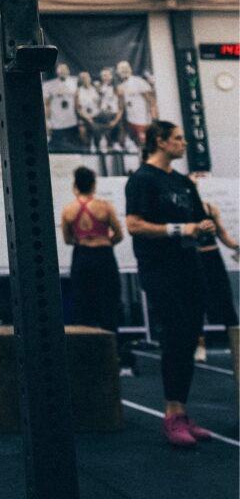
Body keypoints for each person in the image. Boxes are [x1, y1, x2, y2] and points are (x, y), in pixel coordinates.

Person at [125, 120, 215, 447]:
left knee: (190, 337)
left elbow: (195, 220)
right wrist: (181, 230)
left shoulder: (182, 182)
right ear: (160, 142)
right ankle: (171, 415)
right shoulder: (142, 181)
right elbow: (134, 225)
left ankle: (182, 410)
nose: (183, 143)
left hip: (190, 266)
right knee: (175, 335)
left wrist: (203, 225)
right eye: (178, 138)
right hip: (160, 270)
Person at [60, 167, 132, 371]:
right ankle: (111, 353)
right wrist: (104, 241)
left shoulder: (68, 210)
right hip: (103, 256)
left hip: (81, 257)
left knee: (82, 304)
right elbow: (119, 234)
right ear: (93, 184)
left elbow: (67, 239)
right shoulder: (105, 207)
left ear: (75, 185)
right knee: (109, 303)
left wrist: (84, 239)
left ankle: (83, 354)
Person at [190, 177, 239, 362]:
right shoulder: (180, 211)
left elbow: (223, 234)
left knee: (225, 299)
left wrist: (236, 247)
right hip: (194, 259)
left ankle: (236, 343)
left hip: (213, 258)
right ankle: (200, 343)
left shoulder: (210, 208)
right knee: (197, 302)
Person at [116, 61, 157, 158]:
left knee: (147, 145)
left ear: (129, 69)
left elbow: (151, 100)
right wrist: (119, 96)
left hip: (143, 120)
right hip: (131, 120)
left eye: (125, 68)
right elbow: (121, 105)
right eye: (121, 69)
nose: (123, 71)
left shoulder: (138, 81)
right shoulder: (121, 86)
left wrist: (154, 116)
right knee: (138, 147)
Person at [94, 67, 124, 174]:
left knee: (115, 147)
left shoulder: (118, 88)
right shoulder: (99, 89)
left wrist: (115, 121)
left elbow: (121, 108)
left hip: (115, 118)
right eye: (103, 76)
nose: (105, 77)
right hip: (103, 119)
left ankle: (119, 172)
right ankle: (104, 173)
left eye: (107, 75)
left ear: (111, 76)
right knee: (103, 148)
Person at [43, 63, 78, 150]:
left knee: (73, 147)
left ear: (68, 71)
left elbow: (79, 101)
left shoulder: (75, 81)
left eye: (64, 70)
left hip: (72, 121)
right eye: (60, 71)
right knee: (58, 148)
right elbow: (47, 105)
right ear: (57, 72)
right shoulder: (49, 85)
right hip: (57, 122)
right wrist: (47, 121)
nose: (62, 72)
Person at [74, 70, 100, 153]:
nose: (85, 79)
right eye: (83, 78)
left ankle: (98, 149)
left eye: (87, 77)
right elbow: (77, 108)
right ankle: (87, 149)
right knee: (83, 132)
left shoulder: (96, 88)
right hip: (84, 116)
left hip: (96, 116)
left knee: (98, 134)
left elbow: (101, 103)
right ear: (80, 80)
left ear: (90, 78)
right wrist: (87, 117)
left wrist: (96, 115)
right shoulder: (78, 91)